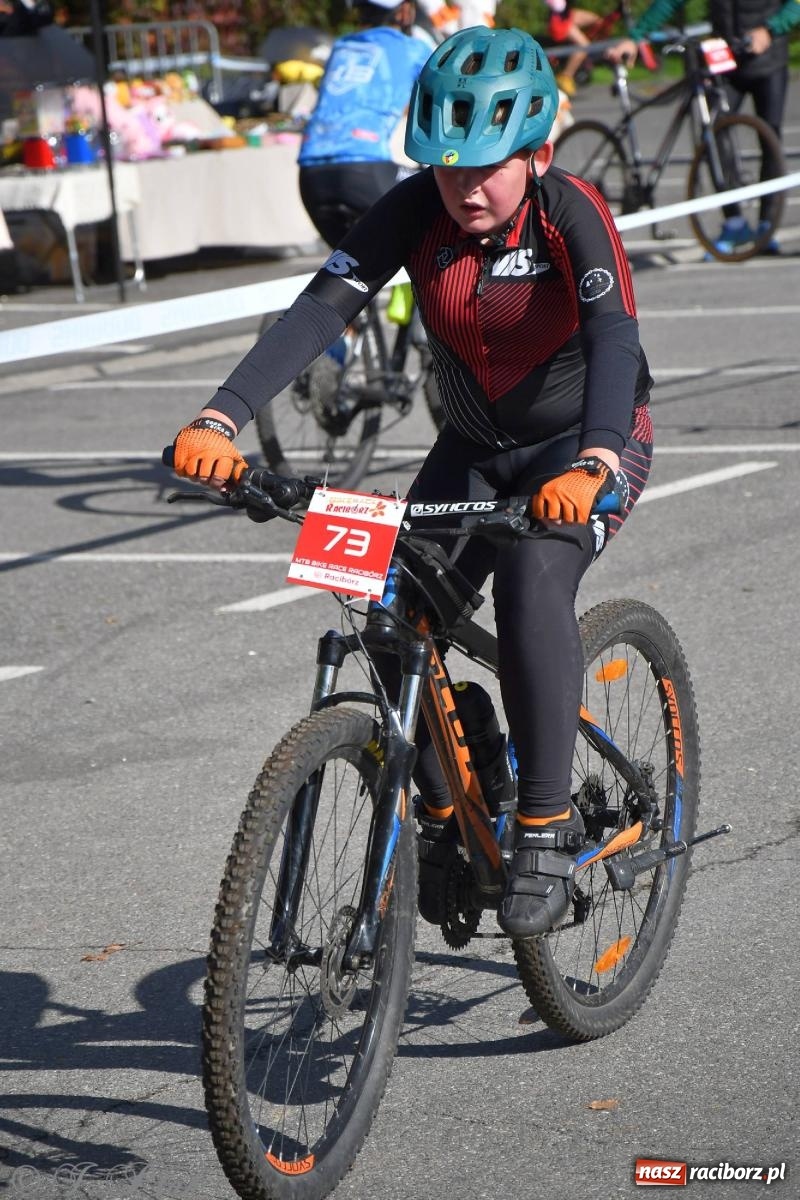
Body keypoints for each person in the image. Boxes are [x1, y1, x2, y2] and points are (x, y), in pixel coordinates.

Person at [168, 26, 654, 940]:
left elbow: (614, 339)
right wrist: (221, 417)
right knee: (385, 606)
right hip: (472, 448)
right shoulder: (413, 210)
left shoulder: (569, 210)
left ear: (539, 150)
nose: (466, 185)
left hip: (587, 446)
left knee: (530, 579)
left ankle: (545, 825)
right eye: (446, 166)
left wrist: (592, 462)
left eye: (489, 166)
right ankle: (449, 810)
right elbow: (320, 309)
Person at [609, 0, 800, 254]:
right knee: (714, 134)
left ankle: (767, 225)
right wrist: (635, 37)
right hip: (726, 62)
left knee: (770, 136)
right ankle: (734, 221)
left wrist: (770, 29)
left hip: (769, 60)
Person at [297, 0, 430, 251]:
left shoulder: (341, 47)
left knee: (353, 273)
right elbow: (446, 98)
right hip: (364, 168)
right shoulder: (413, 48)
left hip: (311, 177)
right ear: (403, 12)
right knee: (439, 190)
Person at [544, 0, 602, 96]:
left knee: (598, 20)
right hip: (559, 21)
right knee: (584, 46)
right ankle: (566, 76)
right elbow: (558, 6)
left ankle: (584, 60)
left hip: (567, 15)